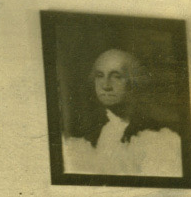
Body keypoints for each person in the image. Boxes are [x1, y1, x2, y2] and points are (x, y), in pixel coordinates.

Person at [60, 47, 183, 177]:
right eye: (100, 76)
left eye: (117, 77)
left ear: (134, 82)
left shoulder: (157, 136)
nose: (106, 86)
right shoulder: (86, 134)